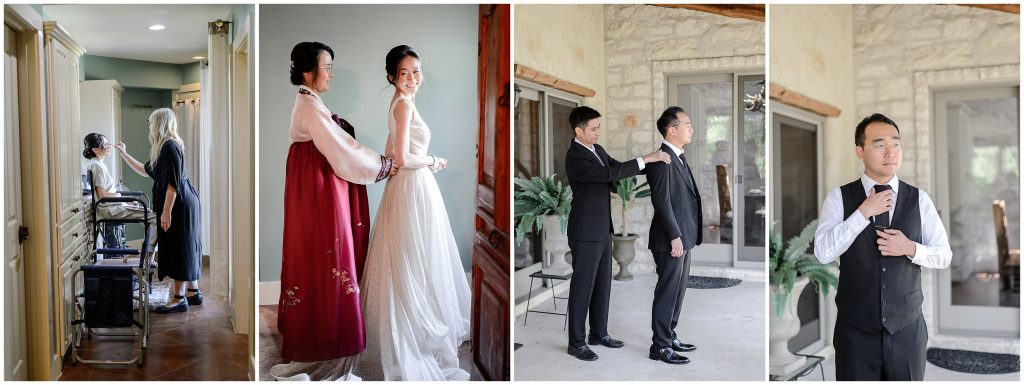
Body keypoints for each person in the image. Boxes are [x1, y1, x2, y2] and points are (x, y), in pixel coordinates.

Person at [269, 42, 398, 381]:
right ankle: (328, 335)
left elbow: (339, 146)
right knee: (328, 252)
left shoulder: (310, 102)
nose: (331, 73)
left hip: (315, 183)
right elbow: (343, 149)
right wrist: (383, 164)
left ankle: (323, 329)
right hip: (317, 189)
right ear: (308, 71)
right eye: (326, 67)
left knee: (321, 254)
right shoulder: (310, 106)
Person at [355, 45, 471, 381]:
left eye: (416, 71)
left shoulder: (400, 103)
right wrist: (434, 161)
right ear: (391, 76)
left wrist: (414, 163)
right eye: (404, 73)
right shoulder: (403, 104)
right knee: (413, 255)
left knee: (411, 256)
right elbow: (403, 157)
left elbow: (392, 151)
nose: (412, 79)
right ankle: (411, 335)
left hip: (410, 187)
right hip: (413, 186)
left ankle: (409, 329)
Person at [813, 113, 951, 381]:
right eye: (879, 144)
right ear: (860, 151)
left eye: (896, 144)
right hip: (855, 332)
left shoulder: (919, 199)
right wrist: (862, 213)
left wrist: (910, 247)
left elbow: (944, 255)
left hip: (907, 330)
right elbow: (823, 252)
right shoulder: (839, 198)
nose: (890, 152)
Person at [563, 105, 670, 361]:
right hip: (584, 231)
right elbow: (608, 173)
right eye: (594, 128)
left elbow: (618, 167)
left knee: (602, 284)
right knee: (582, 288)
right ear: (579, 131)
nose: (598, 131)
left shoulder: (596, 149)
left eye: (599, 126)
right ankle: (576, 343)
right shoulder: (575, 157)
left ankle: (598, 333)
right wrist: (647, 158)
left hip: (602, 228)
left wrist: (652, 165)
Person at [116, 108, 203, 313]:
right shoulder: (163, 147)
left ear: (159, 124)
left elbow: (173, 184)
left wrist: (166, 212)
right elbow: (145, 171)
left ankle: (179, 298)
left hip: (179, 204)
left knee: (180, 247)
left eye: (151, 122)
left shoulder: (170, 146)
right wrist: (124, 153)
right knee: (185, 244)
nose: (149, 126)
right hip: (181, 202)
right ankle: (193, 292)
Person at [644, 107, 701, 365]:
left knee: (678, 290)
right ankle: (660, 346)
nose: (691, 128)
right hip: (670, 239)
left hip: (683, 237)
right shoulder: (661, 158)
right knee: (667, 291)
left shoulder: (677, 155)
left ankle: (670, 335)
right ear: (672, 129)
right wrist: (675, 236)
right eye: (687, 124)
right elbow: (662, 202)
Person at [83, 132, 157, 254]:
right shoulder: (97, 166)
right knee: (155, 218)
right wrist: (121, 197)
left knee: (150, 216)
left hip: (113, 207)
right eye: (105, 144)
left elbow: (107, 193)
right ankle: (147, 256)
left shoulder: (97, 164)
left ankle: (146, 256)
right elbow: (102, 195)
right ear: (95, 149)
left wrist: (126, 200)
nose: (109, 146)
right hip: (110, 210)